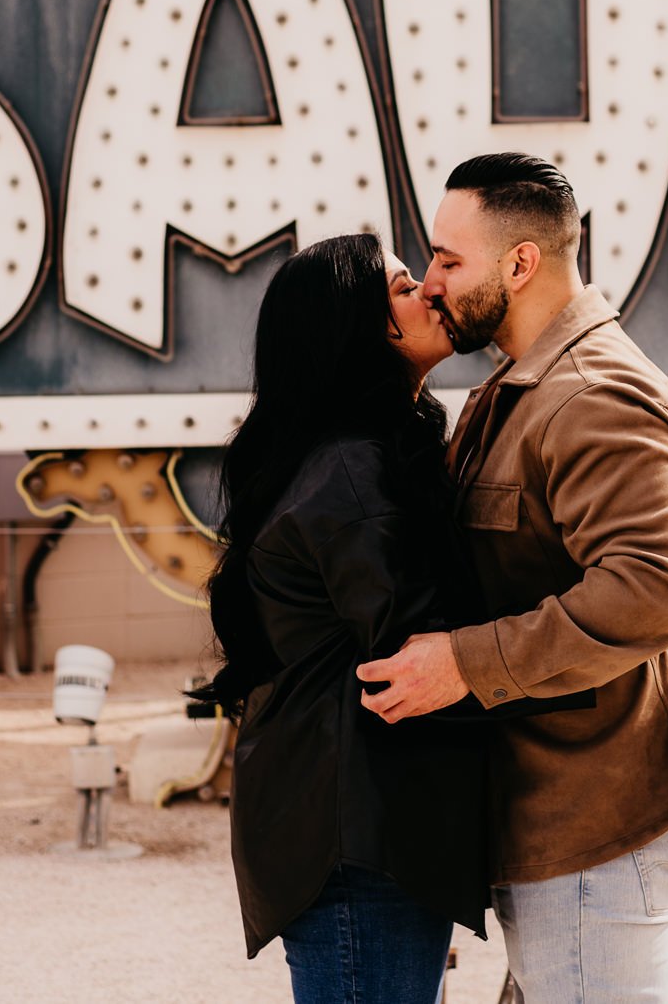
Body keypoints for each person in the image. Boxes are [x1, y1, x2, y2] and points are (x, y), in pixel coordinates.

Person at [358, 152, 668, 1003]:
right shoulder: (518, 389)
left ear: (521, 263)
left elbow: (652, 588)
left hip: (598, 820)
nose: (429, 284)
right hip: (559, 812)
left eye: (448, 260)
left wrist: (463, 662)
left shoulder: (593, 393)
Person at [194, 232, 586, 1003]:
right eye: (404, 286)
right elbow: (417, 652)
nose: (431, 290)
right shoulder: (351, 471)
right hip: (357, 835)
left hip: (359, 822)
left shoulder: (366, 452)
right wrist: (595, 661)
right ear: (358, 329)